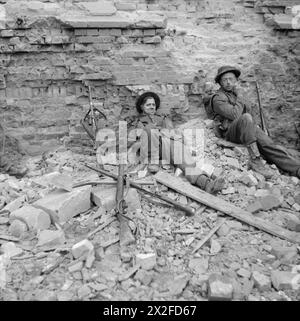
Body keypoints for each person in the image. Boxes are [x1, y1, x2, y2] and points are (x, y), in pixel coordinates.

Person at [210, 65, 300, 179]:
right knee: (246, 117)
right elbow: (235, 115)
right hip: (230, 133)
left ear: (236, 80)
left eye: (231, 79)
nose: (228, 82)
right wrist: (241, 96)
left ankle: (296, 168)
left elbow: (250, 112)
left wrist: (256, 127)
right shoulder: (218, 98)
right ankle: (255, 160)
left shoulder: (236, 94)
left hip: (246, 129)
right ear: (220, 83)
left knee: (268, 144)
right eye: (224, 80)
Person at [128, 91, 225, 194]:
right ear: (142, 107)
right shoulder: (138, 122)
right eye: (148, 105)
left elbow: (173, 133)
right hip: (150, 150)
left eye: (153, 104)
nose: (152, 107)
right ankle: (154, 163)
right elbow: (135, 141)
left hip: (167, 145)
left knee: (186, 162)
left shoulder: (162, 119)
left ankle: (206, 183)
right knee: (151, 131)